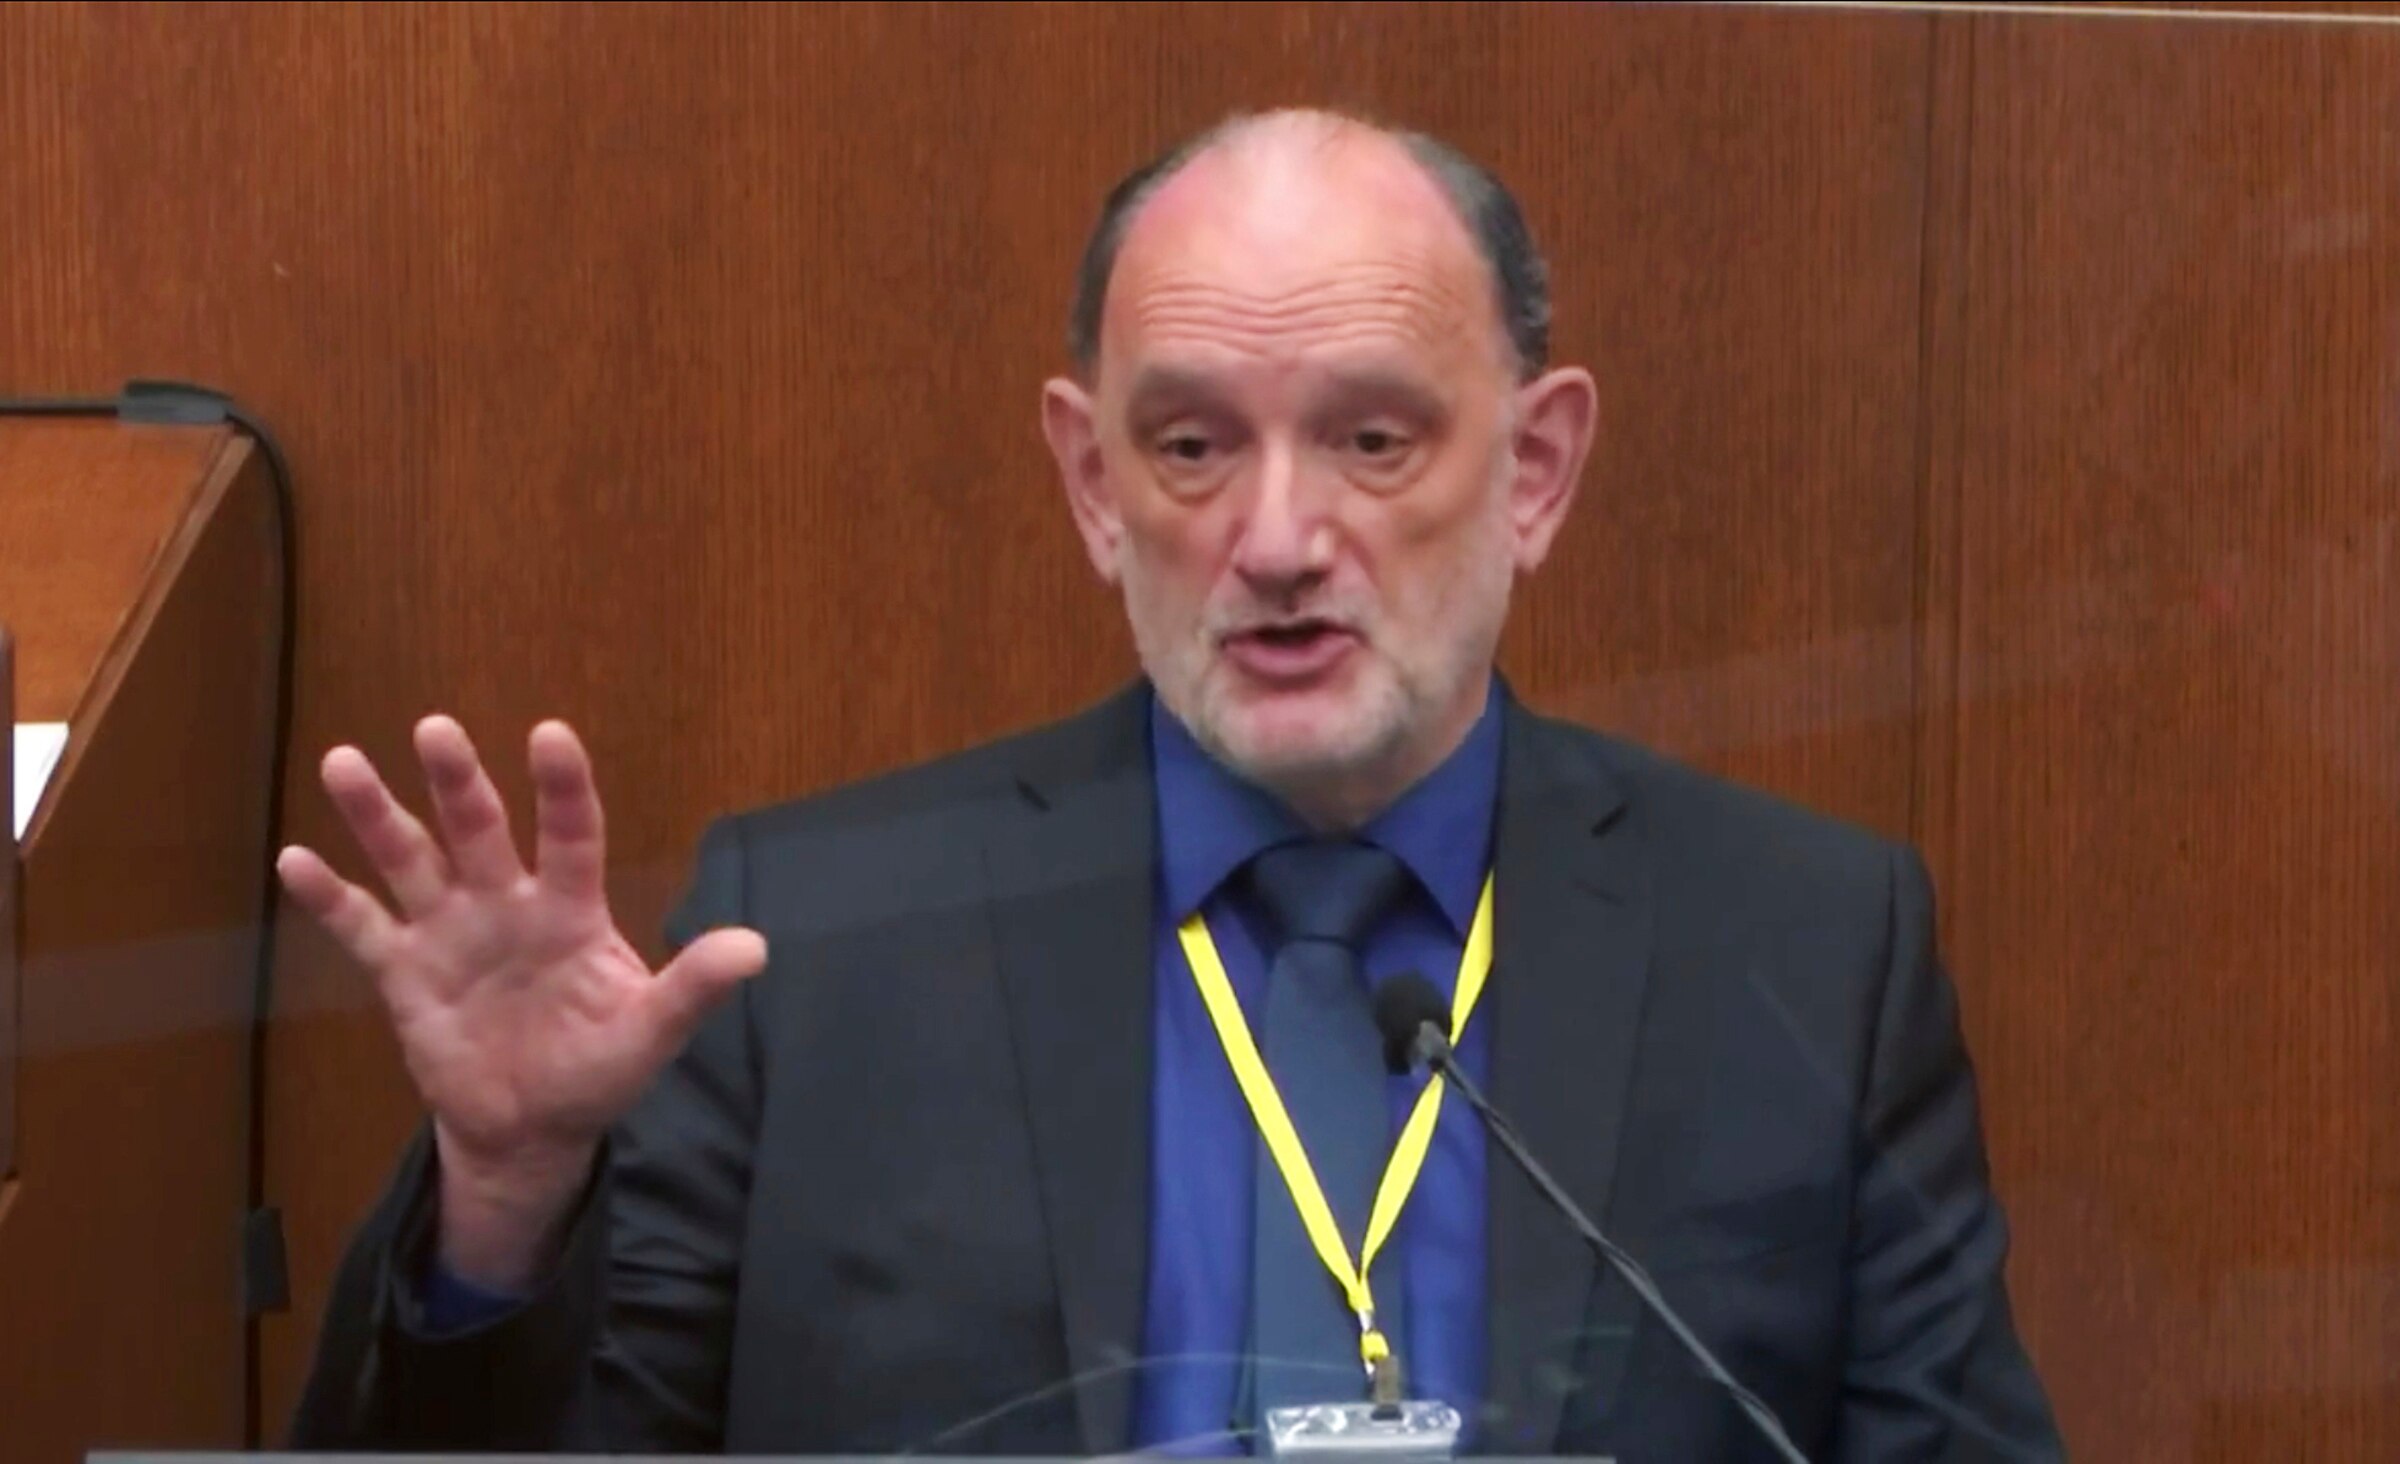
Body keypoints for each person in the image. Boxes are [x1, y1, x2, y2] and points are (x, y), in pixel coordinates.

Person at [281, 109, 2064, 1460]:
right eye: (1191, 444)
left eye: (1373, 438)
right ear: (1087, 482)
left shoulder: (1801, 948)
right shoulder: (809, 950)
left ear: (1536, 469)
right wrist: (507, 1200)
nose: (1277, 540)